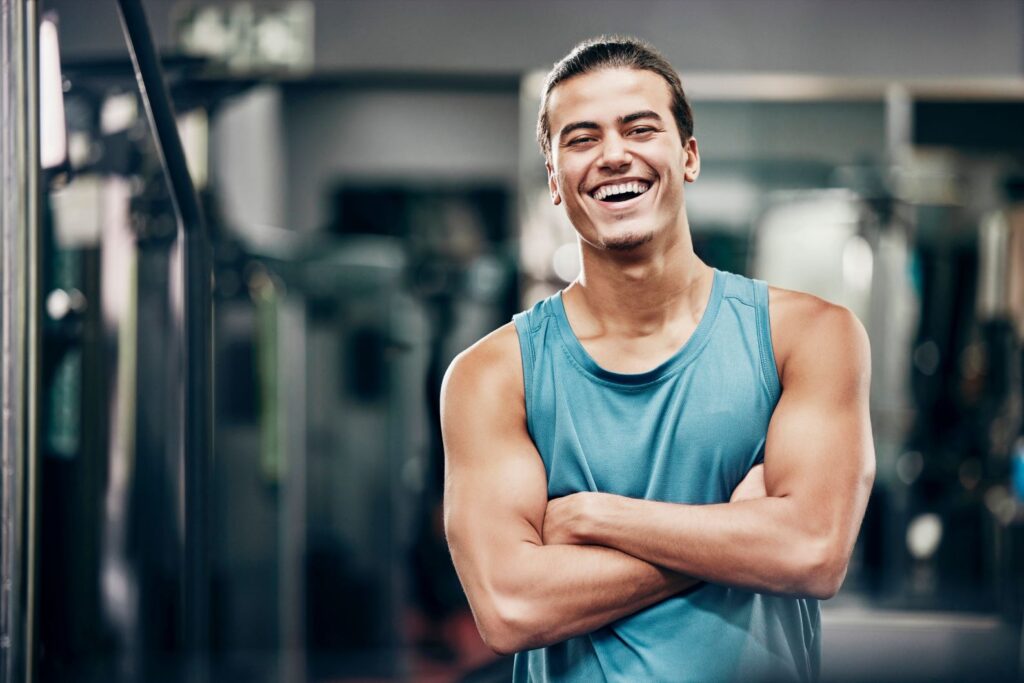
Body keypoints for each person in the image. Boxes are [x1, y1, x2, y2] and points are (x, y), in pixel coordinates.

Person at [440, 36, 875, 682]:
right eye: (581, 139)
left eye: (639, 128)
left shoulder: (810, 336)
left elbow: (812, 551)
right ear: (555, 182)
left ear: (689, 155)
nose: (614, 155)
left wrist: (596, 516)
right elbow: (511, 605)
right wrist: (741, 531)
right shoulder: (492, 375)